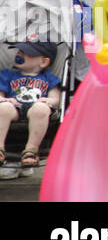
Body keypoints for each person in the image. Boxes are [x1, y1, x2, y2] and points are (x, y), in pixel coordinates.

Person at [0, 42, 62, 179]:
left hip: (35, 108)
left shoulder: (48, 78)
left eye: (27, 53)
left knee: (41, 109)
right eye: (19, 51)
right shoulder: (8, 74)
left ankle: (31, 150)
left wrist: (48, 101)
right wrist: (5, 99)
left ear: (44, 61)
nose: (20, 54)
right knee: (3, 107)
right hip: (14, 107)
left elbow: (55, 98)